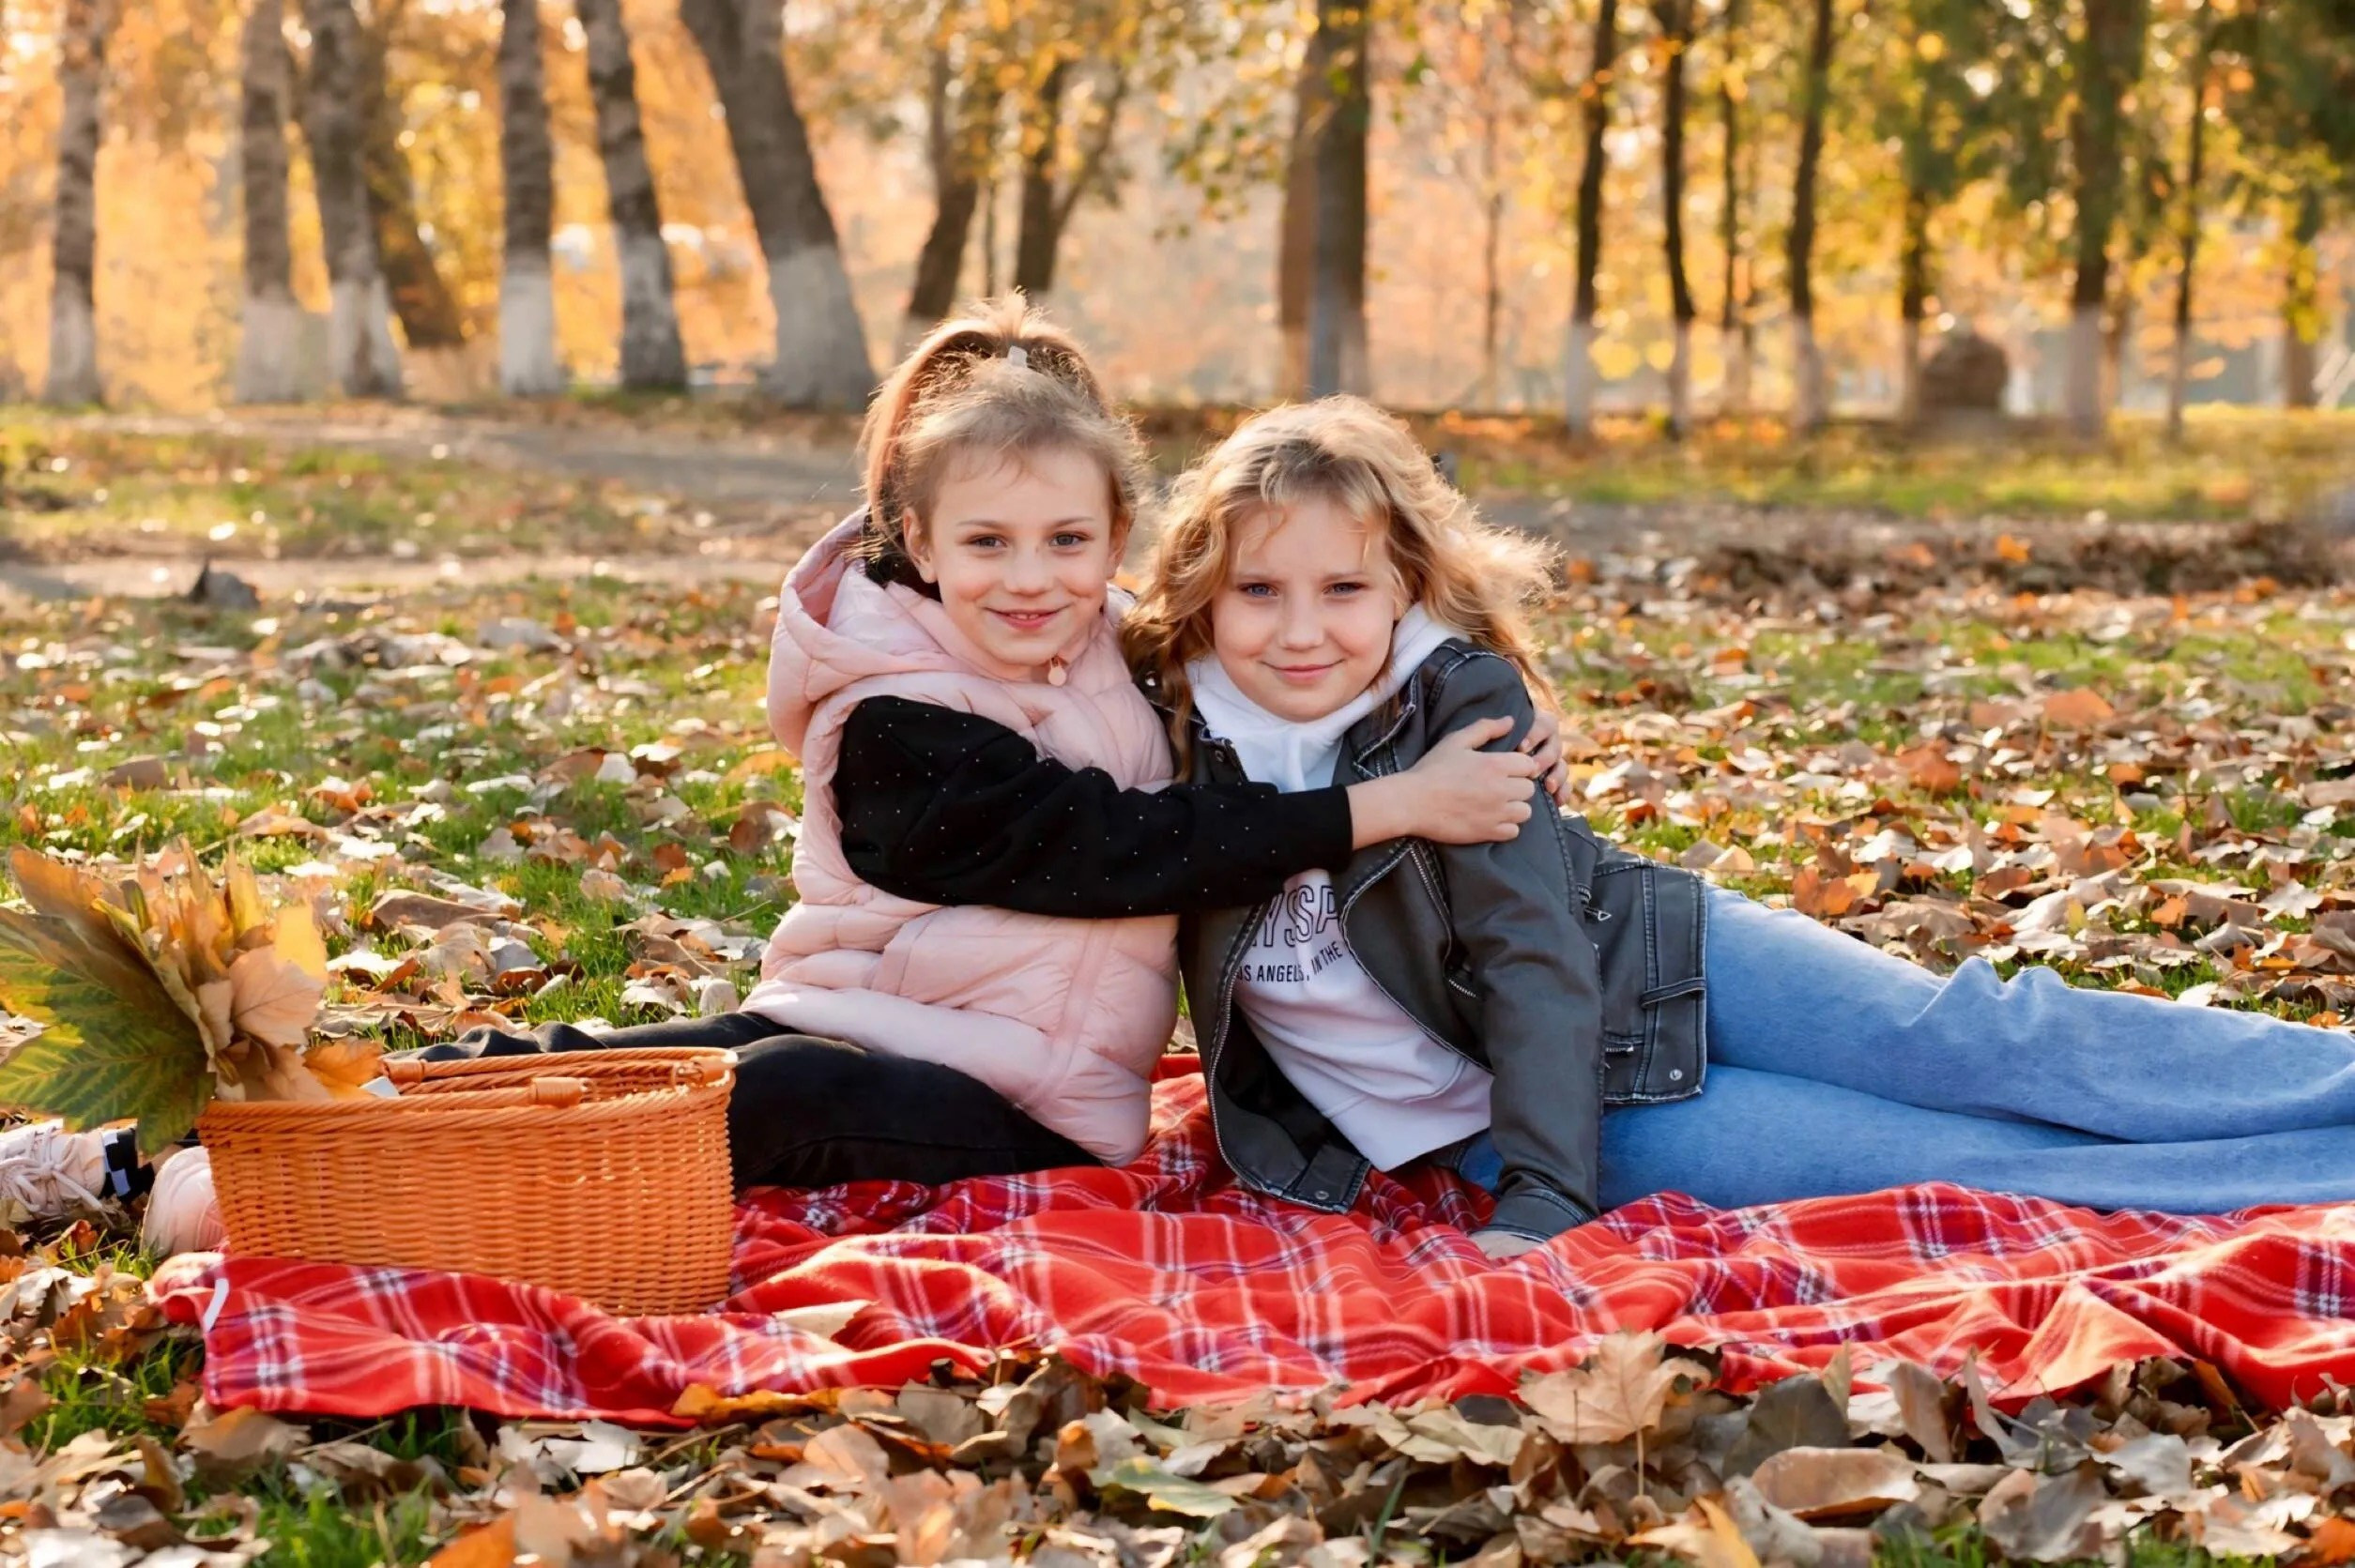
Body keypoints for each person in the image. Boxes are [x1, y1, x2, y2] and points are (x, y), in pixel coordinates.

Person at [121, 302, 1553, 1256]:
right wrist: (1386, 809)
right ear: (917, 541)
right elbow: (1104, 845)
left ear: (1114, 536)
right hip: (863, 1019)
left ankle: (293, 1176)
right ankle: (270, 1140)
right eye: (986, 544)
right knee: (625, 1062)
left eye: (1067, 543)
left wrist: (1481, 704)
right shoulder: (889, 718)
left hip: (1027, 1096)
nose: (1031, 579)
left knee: (764, 1094)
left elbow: (1304, 634)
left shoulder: (1120, 652)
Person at [1096, 396, 2355, 1255]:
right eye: (1257, 589)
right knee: (1953, 1165)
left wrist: (1544, 1202)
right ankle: (2317, 1176)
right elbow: (1022, 585)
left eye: (1342, 588)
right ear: (1201, 590)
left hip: (1650, 956)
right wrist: (1529, 1168)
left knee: (1966, 1034)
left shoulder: (1454, 707)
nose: (1299, 630)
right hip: (1509, 1117)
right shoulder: (1161, 722)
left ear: (1405, 589)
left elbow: (1533, 960)